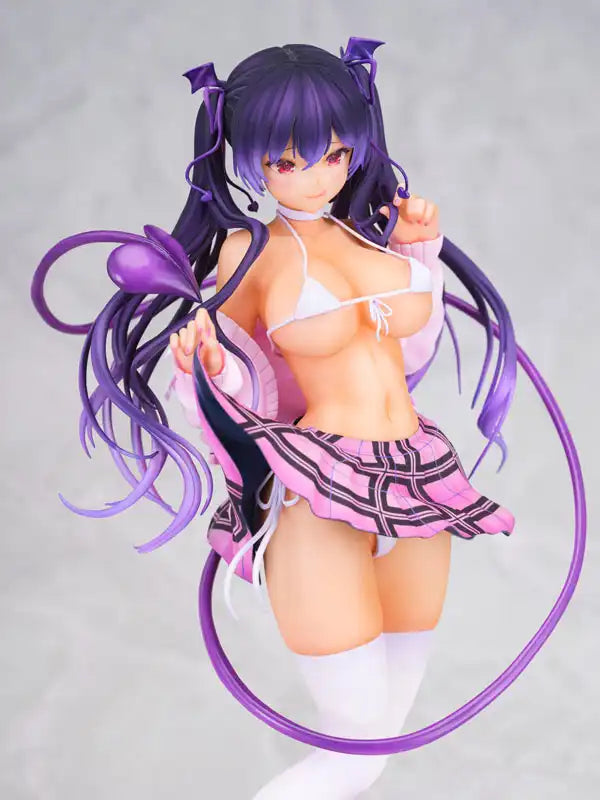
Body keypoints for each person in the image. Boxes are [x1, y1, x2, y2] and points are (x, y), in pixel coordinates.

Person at [32, 38, 516, 799]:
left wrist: (420, 255)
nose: (317, 175)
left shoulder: (372, 234)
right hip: (322, 492)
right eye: (288, 161)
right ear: (250, 158)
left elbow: (409, 354)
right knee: (352, 750)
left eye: (336, 154)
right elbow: (243, 384)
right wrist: (209, 366)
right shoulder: (246, 254)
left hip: (423, 484)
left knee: (379, 752)